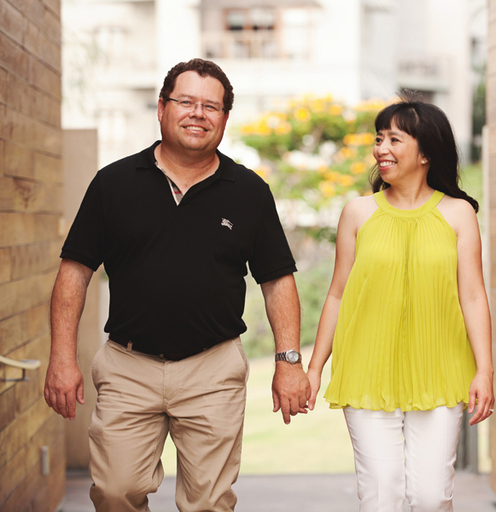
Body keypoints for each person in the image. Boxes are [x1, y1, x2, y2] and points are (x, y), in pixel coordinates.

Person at [44, 58, 311, 512]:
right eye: (186, 101)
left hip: (213, 369)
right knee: (114, 492)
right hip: (129, 367)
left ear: (225, 118)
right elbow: (75, 272)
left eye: (212, 106)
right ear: (162, 108)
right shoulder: (114, 183)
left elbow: (276, 279)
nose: (198, 113)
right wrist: (62, 357)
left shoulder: (248, 191)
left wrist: (289, 361)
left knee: (209, 504)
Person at [307, 94, 494, 512]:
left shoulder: (459, 213)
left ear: (426, 151)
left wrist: (484, 369)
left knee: (431, 497)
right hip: (366, 371)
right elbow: (337, 292)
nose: (381, 149)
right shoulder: (357, 212)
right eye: (379, 139)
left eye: (394, 139)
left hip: (440, 370)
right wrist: (315, 368)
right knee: (380, 496)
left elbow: (473, 295)